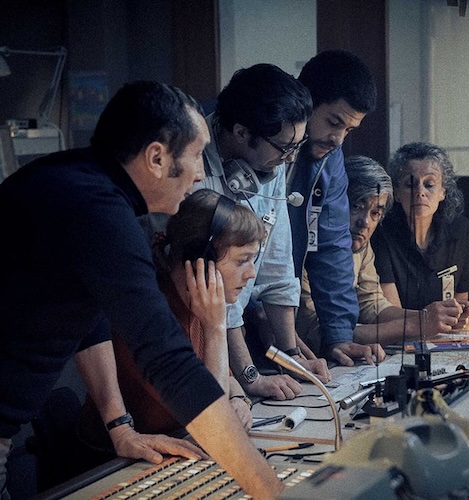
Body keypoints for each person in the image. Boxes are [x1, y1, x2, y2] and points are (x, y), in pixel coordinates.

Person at [0, 81, 282, 499]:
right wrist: (269, 489)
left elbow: (89, 317)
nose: (203, 173)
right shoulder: (98, 211)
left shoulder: (80, 184)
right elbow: (169, 363)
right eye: (195, 156)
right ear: (156, 157)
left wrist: (119, 426)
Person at [78, 189, 265, 457]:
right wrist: (215, 330)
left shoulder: (200, 303)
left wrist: (237, 398)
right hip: (111, 463)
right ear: (202, 262)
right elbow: (212, 425)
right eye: (242, 260)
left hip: (175, 445)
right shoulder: (150, 318)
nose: (251, 274)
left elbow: (224, 379)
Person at [193, 63, 330, 398]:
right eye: (285, 147)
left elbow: (277, 267)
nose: (289, 157)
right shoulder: (194, 171)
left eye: (298, 144)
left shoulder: (269, 161)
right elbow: (217, 292)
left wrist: (291, 356)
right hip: (197, 341)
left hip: (236, 336)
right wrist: (250, 375)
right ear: (241, 132)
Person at [297, 155, 469, 351]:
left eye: (375, 213)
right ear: (335, 203)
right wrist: (417, 324)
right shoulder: (309, 251)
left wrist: (435, 317)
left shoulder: (362, 248)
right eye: (356, 206)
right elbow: (318, 330)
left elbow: (373, 307)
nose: (365, 222)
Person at [287, 50, 386, 366]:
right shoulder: (265, 148)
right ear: (305, 102)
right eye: (333, 122)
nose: (339, 139)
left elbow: (331, 247)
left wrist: (339, 336)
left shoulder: (331, 161)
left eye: (349, 130)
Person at [370, 142, 469, 326]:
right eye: (410, 185)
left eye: (429, 184)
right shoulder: (381, 233)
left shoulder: (460, 230)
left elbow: (459, 307)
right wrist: (435, 317)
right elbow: (390, 313)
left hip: (444, 339)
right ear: (396, 193)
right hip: (399, 339)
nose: (420, 193)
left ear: (443, 191)